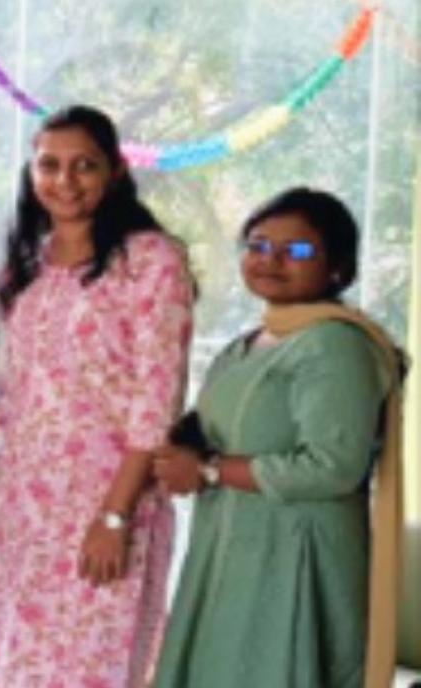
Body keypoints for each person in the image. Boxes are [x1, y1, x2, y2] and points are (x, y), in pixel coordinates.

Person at [151, 188, 404, 688]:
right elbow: (216, 425)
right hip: (231, 549)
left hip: (295, 560)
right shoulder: (246, 345)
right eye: (258, 244)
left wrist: (208, 470)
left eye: (298, 249)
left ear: (337, 266)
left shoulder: (334, 343)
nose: (271, 259)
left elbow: (332, 466)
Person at [0, 105, 192, 688]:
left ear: (116, 171)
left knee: (92, 666)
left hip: (106, 498)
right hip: (23, 505)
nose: (65, 181)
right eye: (49, 165)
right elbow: (8, 391)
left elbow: (156, 399)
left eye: (84, 165)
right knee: (16, 665)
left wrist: (115, 515)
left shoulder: (151, 260)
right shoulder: (24, 266)